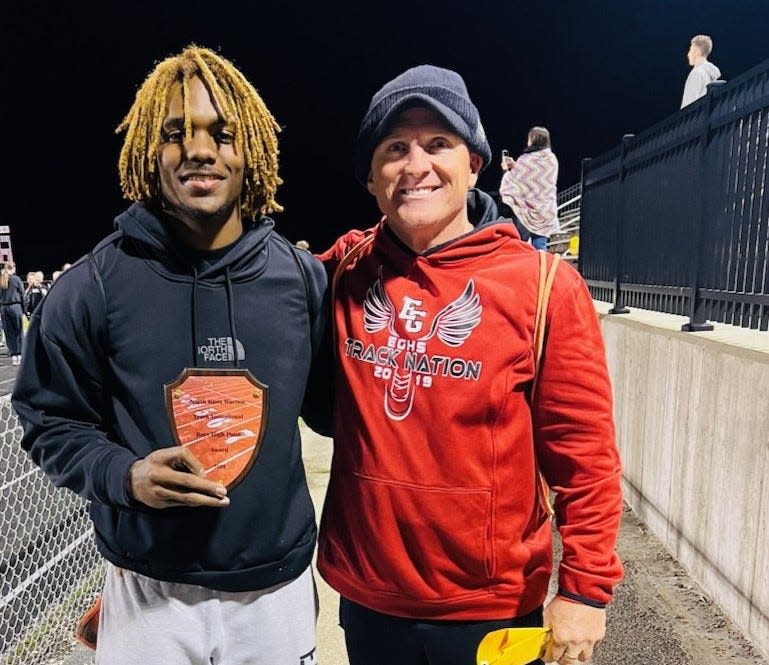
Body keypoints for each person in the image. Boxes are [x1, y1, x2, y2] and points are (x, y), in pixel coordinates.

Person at [12, 44, 327, 665]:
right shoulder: (92, 287)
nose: (200, 150)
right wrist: (124, 476)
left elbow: (345, 412)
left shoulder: (302, 280)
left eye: (222, 134)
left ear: (252, 153)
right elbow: (49, 422)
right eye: (175, 133)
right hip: (145, 588)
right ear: (148, 155)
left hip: (274, 588)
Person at [303, 64, 624, 665]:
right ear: (371, 178)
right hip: (368, 598)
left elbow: (585, 454)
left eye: (438, 144)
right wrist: (150, 581)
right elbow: (237, 312)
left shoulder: (545, 287)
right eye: (395, 148)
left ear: (475, 162)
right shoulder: (346, 268)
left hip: (490, 609)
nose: (415, 165)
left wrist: (585, 588)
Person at [499, 127, 559, 251]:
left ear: (532, 140)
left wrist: (506, 169)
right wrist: (516, 166)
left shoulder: (525, 160)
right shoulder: (552, 159)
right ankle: (542, 270)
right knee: (540, 248)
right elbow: (536, 178)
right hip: (545, 213)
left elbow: (515, 181)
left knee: (520, 247)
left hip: (526, 214)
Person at [681, 34, 721, 108]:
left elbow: (689, 105)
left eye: (690, 50)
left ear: (697, 52)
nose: (688, 54)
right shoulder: (709, 74)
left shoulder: (696, 73)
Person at [0, 261, 25, 365]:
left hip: (4, 308)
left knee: (9, 332)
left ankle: (14, 355)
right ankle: (20, 353)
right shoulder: (16, 279)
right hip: (15, 306)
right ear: (13, 268)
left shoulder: (1, 279)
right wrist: (24, 309)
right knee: (18, 331)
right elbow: (22, 293)